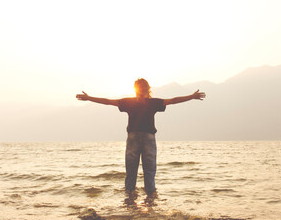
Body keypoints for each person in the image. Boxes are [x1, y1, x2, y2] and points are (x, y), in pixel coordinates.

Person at [76, 78, 205, 195]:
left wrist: (90, 98)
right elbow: (172, 101)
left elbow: (108, 102)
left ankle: (130, 202)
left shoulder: (131, 102)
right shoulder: (152, 102)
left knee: (131, 173)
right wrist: (191, 96)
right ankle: (149, 203)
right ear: (147, 89)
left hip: (134, 138)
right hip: (148, 138)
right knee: (149, 173)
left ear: (136, 89)